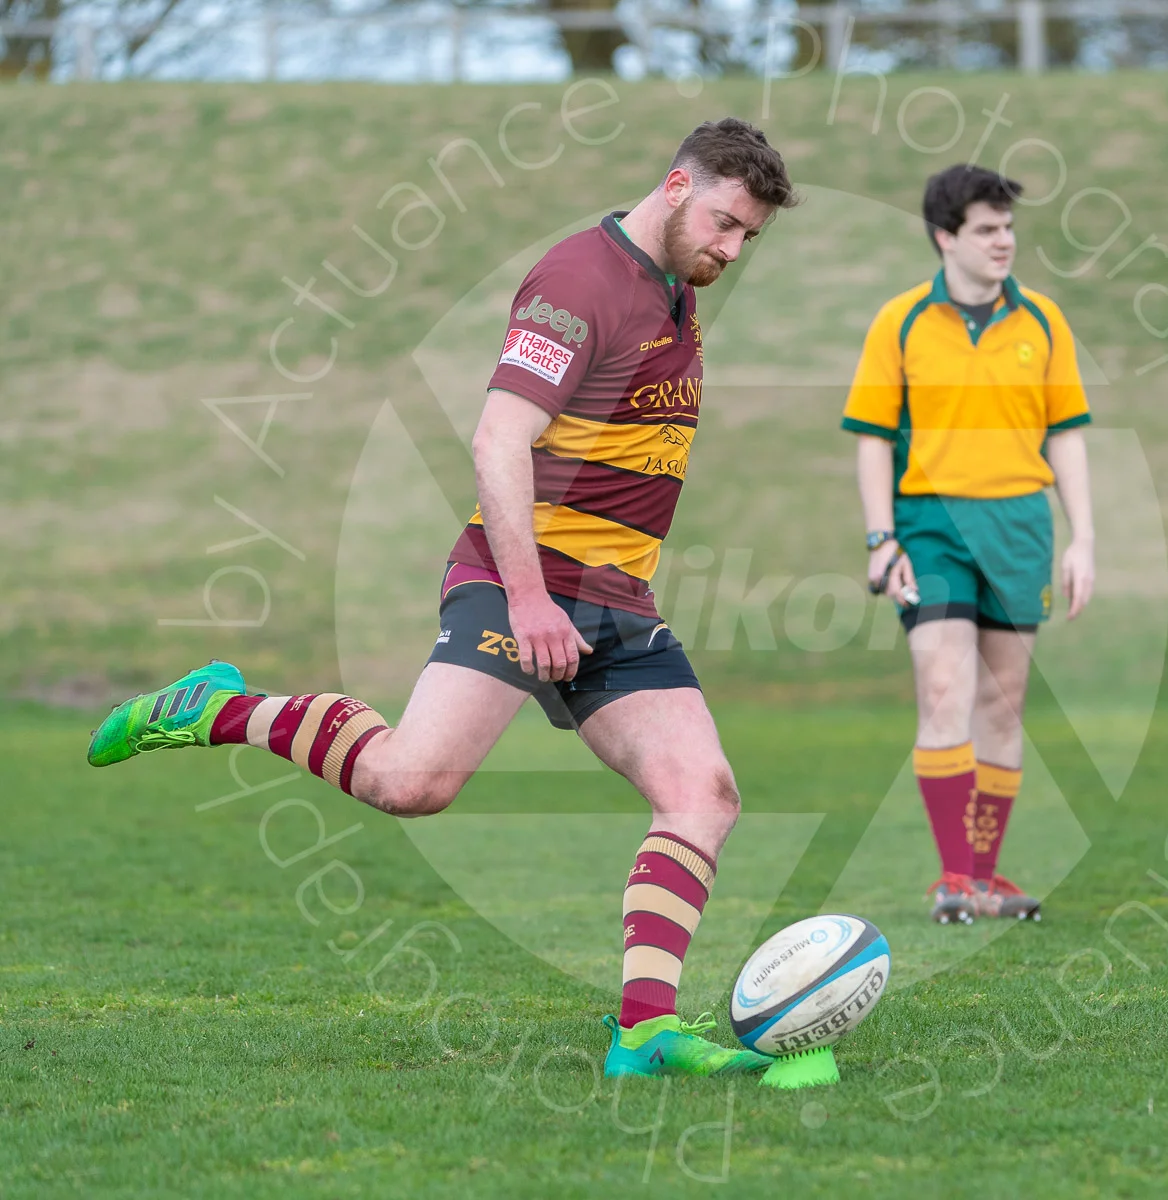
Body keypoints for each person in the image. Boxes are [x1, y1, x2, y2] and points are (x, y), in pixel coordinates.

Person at [87, 118, 799, 1078]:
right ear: (676, 186)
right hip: (522, 584)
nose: (731, 248)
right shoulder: (579, 284)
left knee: (702, 794)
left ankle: (644, 1034)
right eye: (724, 223)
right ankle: (217, 707)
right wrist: (531, 598)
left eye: (748, 237)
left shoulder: (672, 283)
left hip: (618, 601)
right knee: (409, 784)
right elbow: (497, 441)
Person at [841, 164, 1095, 926]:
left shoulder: (1044, 321)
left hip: (1021, 527)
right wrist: (881, 538)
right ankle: (954, 877)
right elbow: (872, 440)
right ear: (945, 236)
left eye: (1009, 228)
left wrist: (1086, 538)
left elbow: (1068, 436)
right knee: (945, 688)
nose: (1004, 241)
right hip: (930, 528)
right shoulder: (901, 323)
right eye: (987, 229)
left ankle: (985, 878)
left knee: (1004, 703)